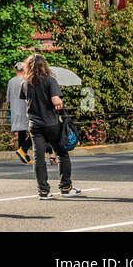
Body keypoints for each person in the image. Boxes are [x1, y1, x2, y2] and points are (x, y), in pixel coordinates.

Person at [20, 53, 81, 199]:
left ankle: (43, 191)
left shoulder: (24, 83)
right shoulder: (50, 81)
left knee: (38, 157)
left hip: (34, 124)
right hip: (51, 123)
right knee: (62, 154)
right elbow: (56, 101)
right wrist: (59, 101)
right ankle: (65, 187)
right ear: (43, 66)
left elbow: (26, 102)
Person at [6, 61, 32, 165]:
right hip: (26, 109)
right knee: (36, 132)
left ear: (15, 70)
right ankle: (24, 151)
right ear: (24, 69)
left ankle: (24, 155)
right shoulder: (27, 80)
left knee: (21, 132)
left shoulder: (11, 81)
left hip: (15, 110)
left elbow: (7, 98)